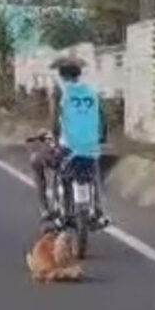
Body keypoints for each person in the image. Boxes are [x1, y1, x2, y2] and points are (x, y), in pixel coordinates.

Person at [30, 56, 110, 229]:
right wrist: (100, 138)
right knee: (94, 169)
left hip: (67, 149)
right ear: (79, 75)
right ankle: (98, 210)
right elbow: (102, 119)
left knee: (36, 161)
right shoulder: (91, 92)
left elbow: (55, 122)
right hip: (90, 147)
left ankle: (45, 208)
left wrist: (52, 139)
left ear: (61, 75)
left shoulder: (60, 93)